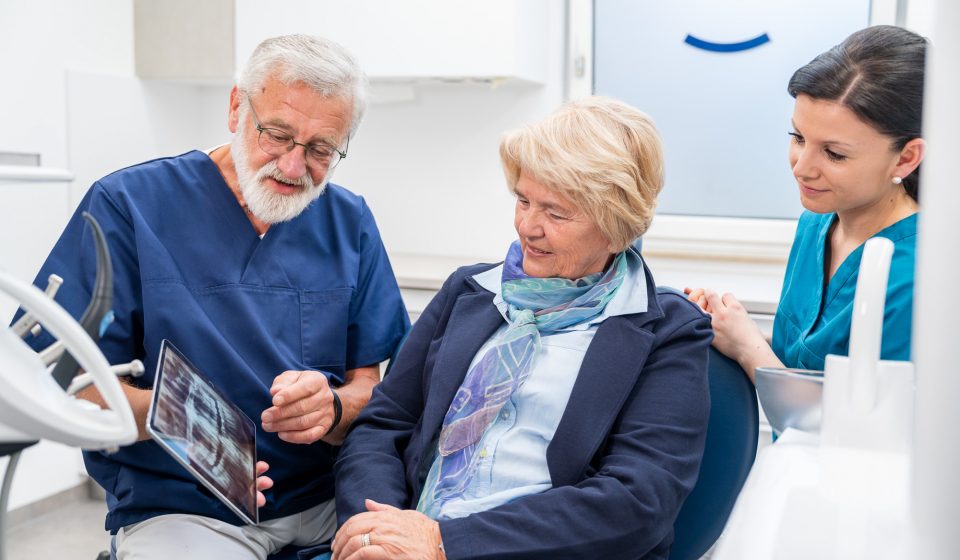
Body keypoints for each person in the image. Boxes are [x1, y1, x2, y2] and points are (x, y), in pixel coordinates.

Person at [14, 34, 409, 558]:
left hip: (325, 504)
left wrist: (333, 410)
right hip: (185, 509)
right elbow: (54, 378)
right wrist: (180, 423)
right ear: (235, 108)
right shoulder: (130, 206)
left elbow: (373, 386)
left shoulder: (348, 221)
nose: (294, 167)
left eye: (319, 150)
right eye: (277, 135)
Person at [329, 97, 712, 560]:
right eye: (524, 200)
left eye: (556, 212)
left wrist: (444, 544)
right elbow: (383, 426)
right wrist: (378, 529)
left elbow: (637, 503)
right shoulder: (469, 290)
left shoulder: (668, 332)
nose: (528, 226)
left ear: (617, 228)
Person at [685, 25, 926, 381]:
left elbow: (859, 429)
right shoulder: (816, 223)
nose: (801, 167)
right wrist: (725, 328)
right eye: (798, 137)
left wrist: (748, 347)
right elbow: (806, 361)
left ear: (906, 158)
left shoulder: (918, 278)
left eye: (834, 154)